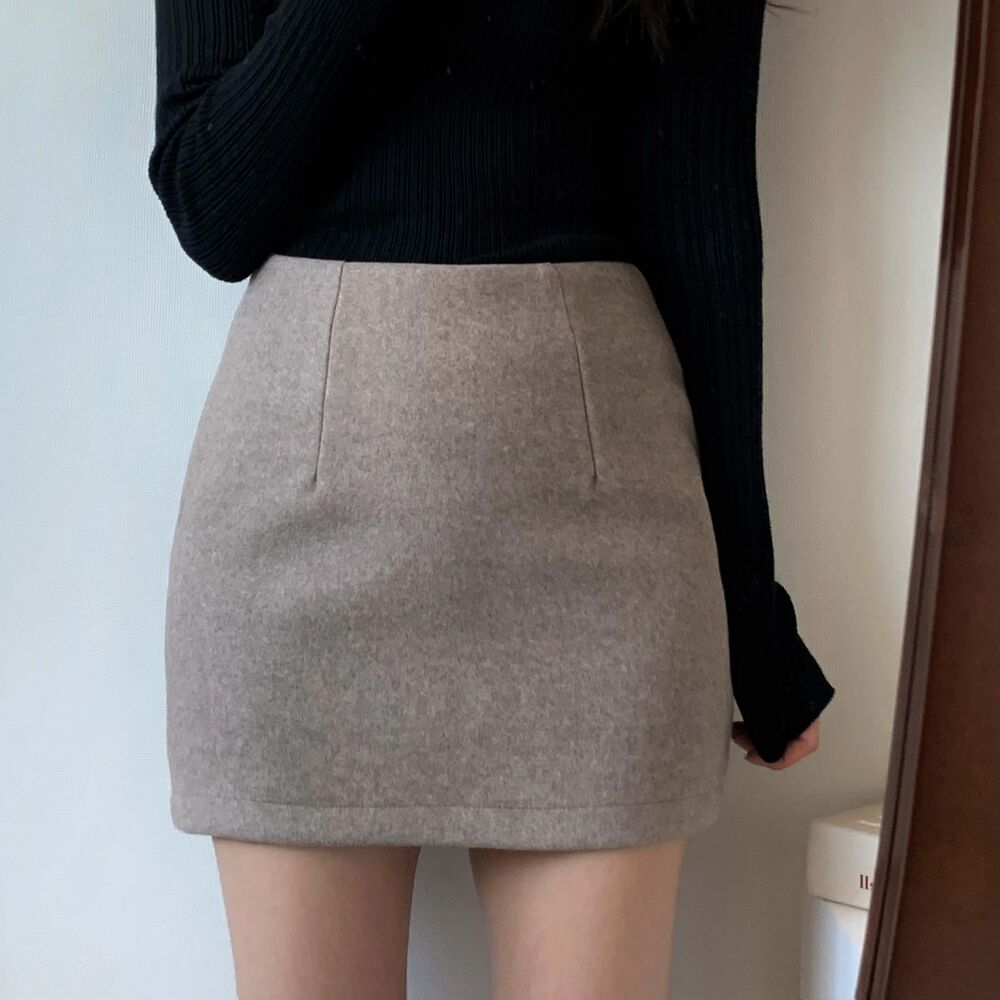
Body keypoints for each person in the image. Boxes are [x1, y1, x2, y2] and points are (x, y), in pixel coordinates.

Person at [147, 0, 836, 995]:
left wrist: (753, 614)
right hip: (297, 526)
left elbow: (704, 216)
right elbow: (213, 205)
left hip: (603, 535)